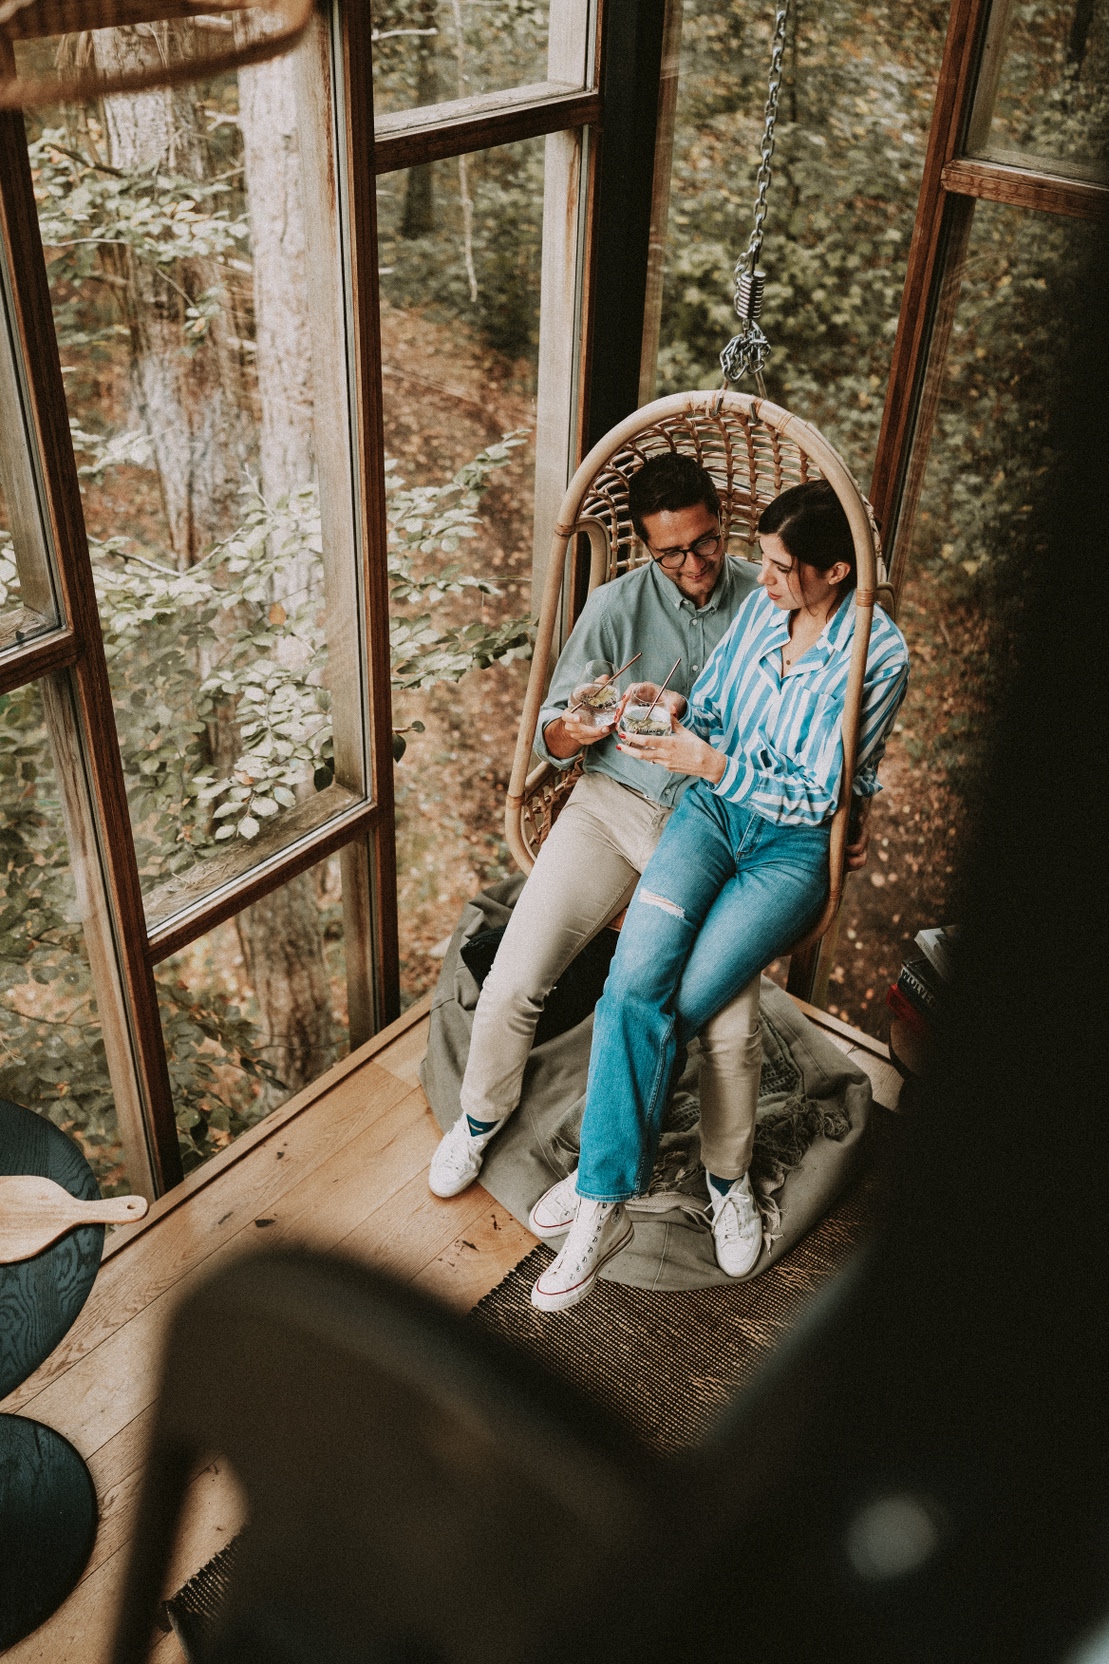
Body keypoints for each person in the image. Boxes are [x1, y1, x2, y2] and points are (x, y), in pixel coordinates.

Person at [428, 456, 869, 1279]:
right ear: (644, 546)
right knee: (516, 977)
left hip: (714, 822)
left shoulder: (770, 594)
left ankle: (727, 1182)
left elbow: (818, 746)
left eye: (704, 543)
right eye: (670, 553)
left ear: (721, 522)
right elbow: (549, 736)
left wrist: (826, 810)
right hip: (612, 806)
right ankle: (480, 1119)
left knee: (729, 1028)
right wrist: (580, 725)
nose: (692, 565)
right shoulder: (614, 607)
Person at [528, 477, 910, 1312]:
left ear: (836, 571)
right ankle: (603, 1201)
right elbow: (714, 708)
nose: (757, 578)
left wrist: (709, 761)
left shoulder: (878, 657)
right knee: (632, 985)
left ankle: (684, 1179)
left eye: (778, 567)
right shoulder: (762, 611)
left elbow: (818, 794)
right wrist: (670, 707)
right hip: (706, 817)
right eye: (761, 560)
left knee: (683, 1000)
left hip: (788, 850)